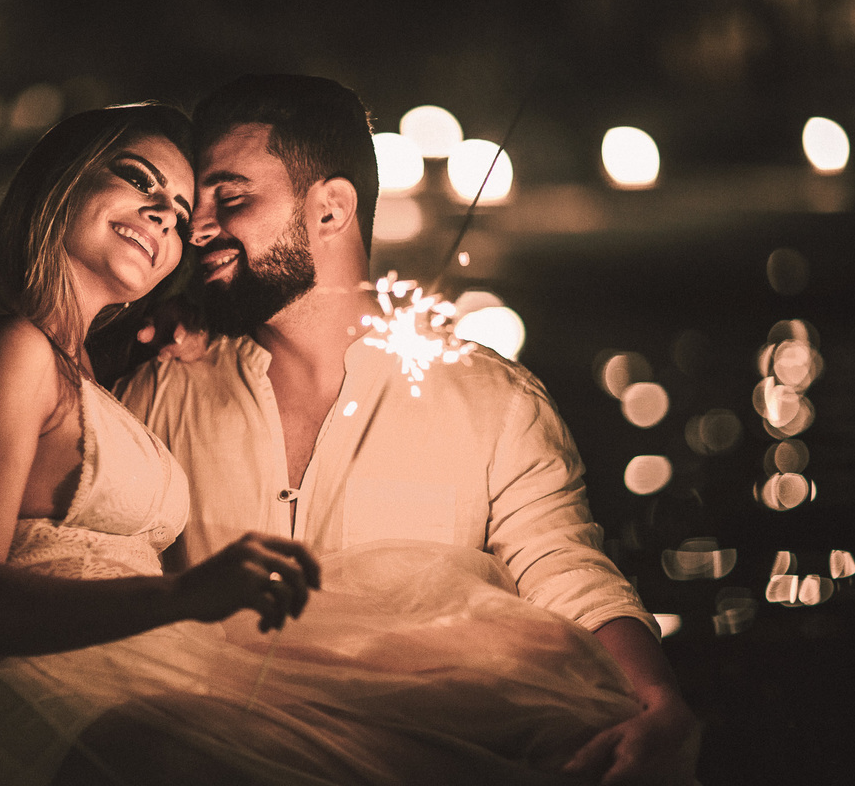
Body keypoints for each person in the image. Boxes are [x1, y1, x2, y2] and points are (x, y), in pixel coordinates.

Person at [113, 74, 700, 785]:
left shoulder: (492, 401)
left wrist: (658, 698)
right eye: (190, 206)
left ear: (331, 209)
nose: (196, 227)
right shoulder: (160, 385)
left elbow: (565, 573)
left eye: (230, 198)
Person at [0, 104, 325, 785]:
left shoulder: (88, 369)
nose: (162, 214)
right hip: (52, 708)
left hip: (137, 687)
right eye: (137, 179)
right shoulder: (10, 348)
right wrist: (182, 597)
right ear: (59, 184)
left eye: (180, 216)